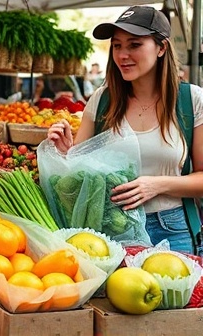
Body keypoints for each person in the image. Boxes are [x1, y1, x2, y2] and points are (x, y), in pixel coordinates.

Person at [47, 6, 203, 254]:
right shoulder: (102, 101)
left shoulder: (191, 100)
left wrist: (157, 185)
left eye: (134, 45)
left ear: (161, 48)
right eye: (117, 45)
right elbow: (80, 176)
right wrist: (67, 154)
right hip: (113, 231)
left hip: (172, 229)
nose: (122, 54)